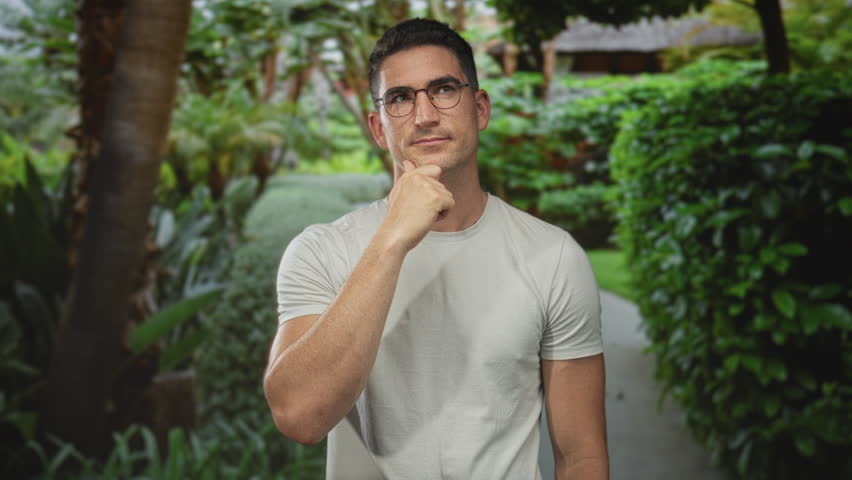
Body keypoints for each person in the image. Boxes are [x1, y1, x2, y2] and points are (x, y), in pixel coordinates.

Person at [264, 18, 608, 480]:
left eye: (444, 89)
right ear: (379, 127)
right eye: (400, 98)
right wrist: (392, 238)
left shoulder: (553, 257)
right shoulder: (322, 251)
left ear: (480, 109)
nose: (424, 114)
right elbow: (299, 416)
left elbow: (581, 455)